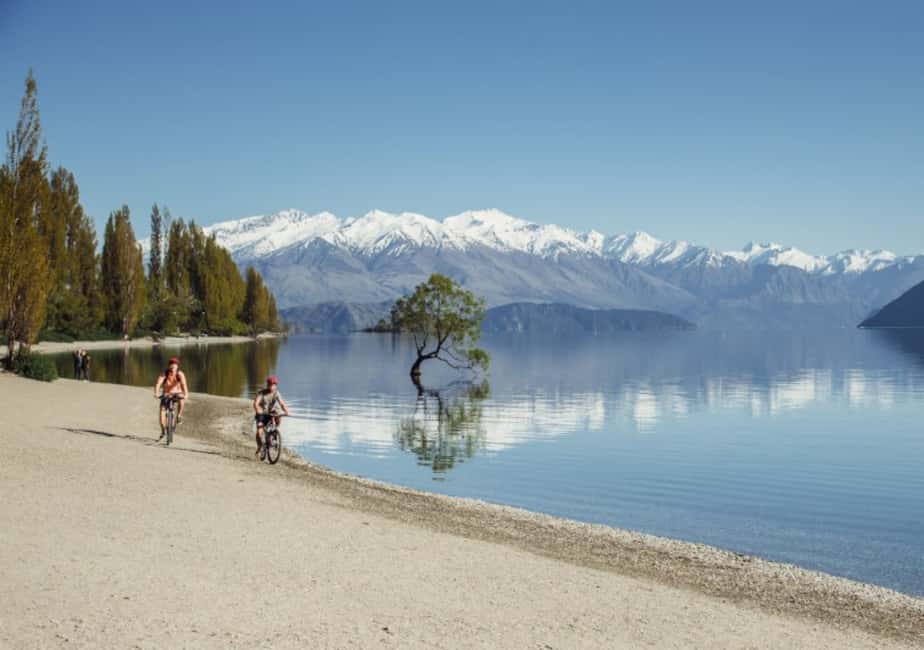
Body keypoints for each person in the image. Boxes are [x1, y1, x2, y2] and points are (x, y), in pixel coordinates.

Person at [253, 376, 290, 456]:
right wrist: (258, 410)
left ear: (276, 385)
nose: (272, 386)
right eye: (270, 384)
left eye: (274, 385)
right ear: (267, 385)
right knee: (259, 433)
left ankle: (274, 432)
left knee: (278, 415)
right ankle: (259, 446)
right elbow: (256, 403)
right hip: (262, 414)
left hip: (271, 412)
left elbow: (282, 403)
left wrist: (286, 411)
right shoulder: (262, 393)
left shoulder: (276, 393)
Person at [154, 357, 189, 440]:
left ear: (177, 366)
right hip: (166, 394)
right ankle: (163, 431)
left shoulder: (180, 374)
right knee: (161, 417)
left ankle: (179, 416)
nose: (173, 365)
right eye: (171, 364)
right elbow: (158, 383)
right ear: (169, 365)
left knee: (182, 399)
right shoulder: (164, 373)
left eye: (175, 364)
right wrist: (156, 393)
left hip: (177, 393)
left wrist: (186, 394)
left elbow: (184, 384)